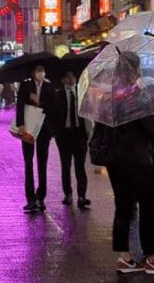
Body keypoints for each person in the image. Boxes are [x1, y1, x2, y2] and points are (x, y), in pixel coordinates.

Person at [96, 115, 154, 275]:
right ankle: (153, 258)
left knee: (123, 207)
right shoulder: (138, 103)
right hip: (138, 158)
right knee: (149, 206)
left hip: (114, 159)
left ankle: (124, 257)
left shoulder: (107, 104)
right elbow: (152, 130)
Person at [15, 64, 56, 212]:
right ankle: (30, 199)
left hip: (44, 128)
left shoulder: (50, 87)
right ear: (33, 72)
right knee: (28, 163)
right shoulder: (25, 86)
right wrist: (20, 124)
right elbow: (20, 105)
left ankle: (41, 197)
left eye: (42, 70)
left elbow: (53, 107)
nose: (41, 73)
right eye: (38, 70)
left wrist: (39, 102)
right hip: (29, 126)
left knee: (42, 163)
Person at [52, 70, 90, 209]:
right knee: (66, 166)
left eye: (73, 76)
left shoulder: (82, 94)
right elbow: (53, 115)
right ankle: (67, 193)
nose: (71, 79)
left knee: (80, 167)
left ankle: (82, 196)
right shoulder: (57, 95)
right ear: (63, 80)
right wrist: (55, 132)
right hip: (64, 135)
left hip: (79, 135)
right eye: (68, 77)